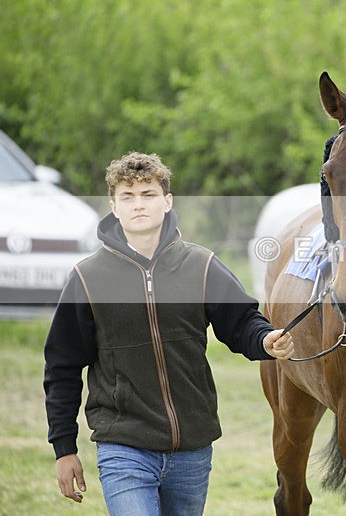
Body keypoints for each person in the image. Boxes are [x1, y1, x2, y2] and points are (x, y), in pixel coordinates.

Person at [44, 152, 294, 514]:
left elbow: (242, 324)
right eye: (127, 197)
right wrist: (64, 448)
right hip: (124, 446)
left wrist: (266, 340)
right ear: (113, 206)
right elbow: (61, 368)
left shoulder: (201, 265)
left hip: (192, 450)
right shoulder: (87, 278)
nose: (138, 205)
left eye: (148, 194)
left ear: (167, 201)